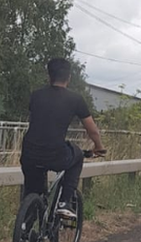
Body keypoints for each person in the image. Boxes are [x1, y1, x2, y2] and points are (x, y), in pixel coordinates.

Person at [20, 58, 106, 219]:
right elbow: (92, 130)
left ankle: (25, 232)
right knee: (78, 155)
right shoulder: (75, 99)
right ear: (69, 77)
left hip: (29, 153)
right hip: (56, 154)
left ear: (49, 76)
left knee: (33, 193)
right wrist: (99, 147)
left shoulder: (36, 96)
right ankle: (64, 202)